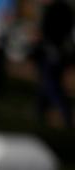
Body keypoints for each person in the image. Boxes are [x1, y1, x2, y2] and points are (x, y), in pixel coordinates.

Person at [34, 0, 74, 128]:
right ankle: (40, 110)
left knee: (50, 82)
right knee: (46, 81)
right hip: (57, 51)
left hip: (52, 51)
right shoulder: (65, 8)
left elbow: (47, 30)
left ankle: (64, 110)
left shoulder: (55, 9)